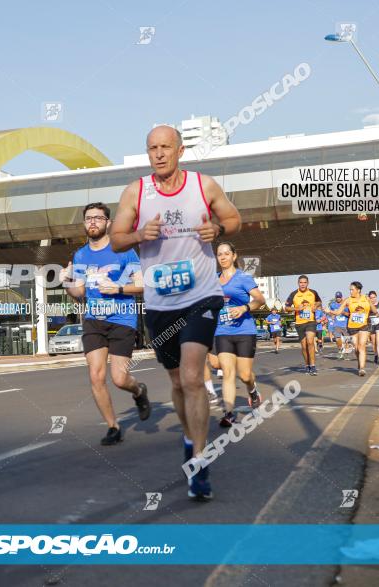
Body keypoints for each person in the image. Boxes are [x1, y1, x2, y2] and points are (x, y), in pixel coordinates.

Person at [111, 125, 241, 501]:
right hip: (159, 304)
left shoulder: (204, 186)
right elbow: (117, 238)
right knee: (177, 381)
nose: (159, 153)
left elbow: (235, 221)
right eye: (152, 148)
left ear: (180, 150)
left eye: (166, 147)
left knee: (191, 376)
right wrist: (139, 235)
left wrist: (216, 228)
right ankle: (189, 439)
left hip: (201, 296)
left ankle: (199, 461)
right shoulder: (137, 191)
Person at [63, 202, 150, 446]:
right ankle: (113, 427)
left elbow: (142, 284)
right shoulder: (80, 255)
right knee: (96, 376)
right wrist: (67, 282)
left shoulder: (123, 250)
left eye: (98, 218)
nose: (93, 222)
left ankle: (139, 391)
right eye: (88, 218)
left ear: (108, 223)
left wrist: (119, 288)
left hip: (122, 318)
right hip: (94, 320)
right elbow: (78, 292)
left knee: (120, 378)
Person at [208, 243, 265, 428]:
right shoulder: (213, 280)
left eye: (226, 254)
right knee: (228, 373)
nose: (222, 257)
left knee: (245, 375)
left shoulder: (243, 278)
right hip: (222, 331)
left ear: (234, 256)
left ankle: (253, 390)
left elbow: (260, 300)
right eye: (219, 254)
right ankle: (229, 413)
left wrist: (244, 307)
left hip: (244, 331)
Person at [329, 281, 372, 376]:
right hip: (352, 327)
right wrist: (330, 311)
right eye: (350, 290)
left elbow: (373, 310)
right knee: (356, 348)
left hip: (364, 326)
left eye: (352, 289)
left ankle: (362, 368)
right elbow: (338, 312)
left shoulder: (365, 298)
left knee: (362, 346)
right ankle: (359, 362)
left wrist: (372, 308)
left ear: (358, 290)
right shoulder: (348, 300)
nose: (350, 291)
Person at [284, 276, 323, 376]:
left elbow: (319, 301)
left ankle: (313, 366)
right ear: (298, 283)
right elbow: (286, 308)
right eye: (301, 282)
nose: (302, 284)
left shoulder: (313, 292)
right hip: (299, 323)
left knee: (310, 342)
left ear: (308, 283)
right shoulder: (294, 294)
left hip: (310, 321)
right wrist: (296, 308)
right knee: (304, 346)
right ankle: (307, 365)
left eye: (304, 282)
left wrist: (316, 306)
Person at [328, 291, 350, 360]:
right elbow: (330, 312)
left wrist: (343, 312)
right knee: (337, 339)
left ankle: (346, 354)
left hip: (345, 325)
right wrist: (332, 315)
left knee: (346, 340)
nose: (338, 298)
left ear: (341, 297)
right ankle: (340, 349)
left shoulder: (345, 305)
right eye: (337, 297)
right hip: (336, 325)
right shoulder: (332, 305)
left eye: (339, 297)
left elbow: (349, 315)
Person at [368, 291, 379, 364]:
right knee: (374, 342)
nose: (373, 299)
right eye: (371, 298)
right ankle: (376, 355)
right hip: (371, 324)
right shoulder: (368, 305)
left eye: (374, 297)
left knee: (378, 340)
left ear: (376, 297)